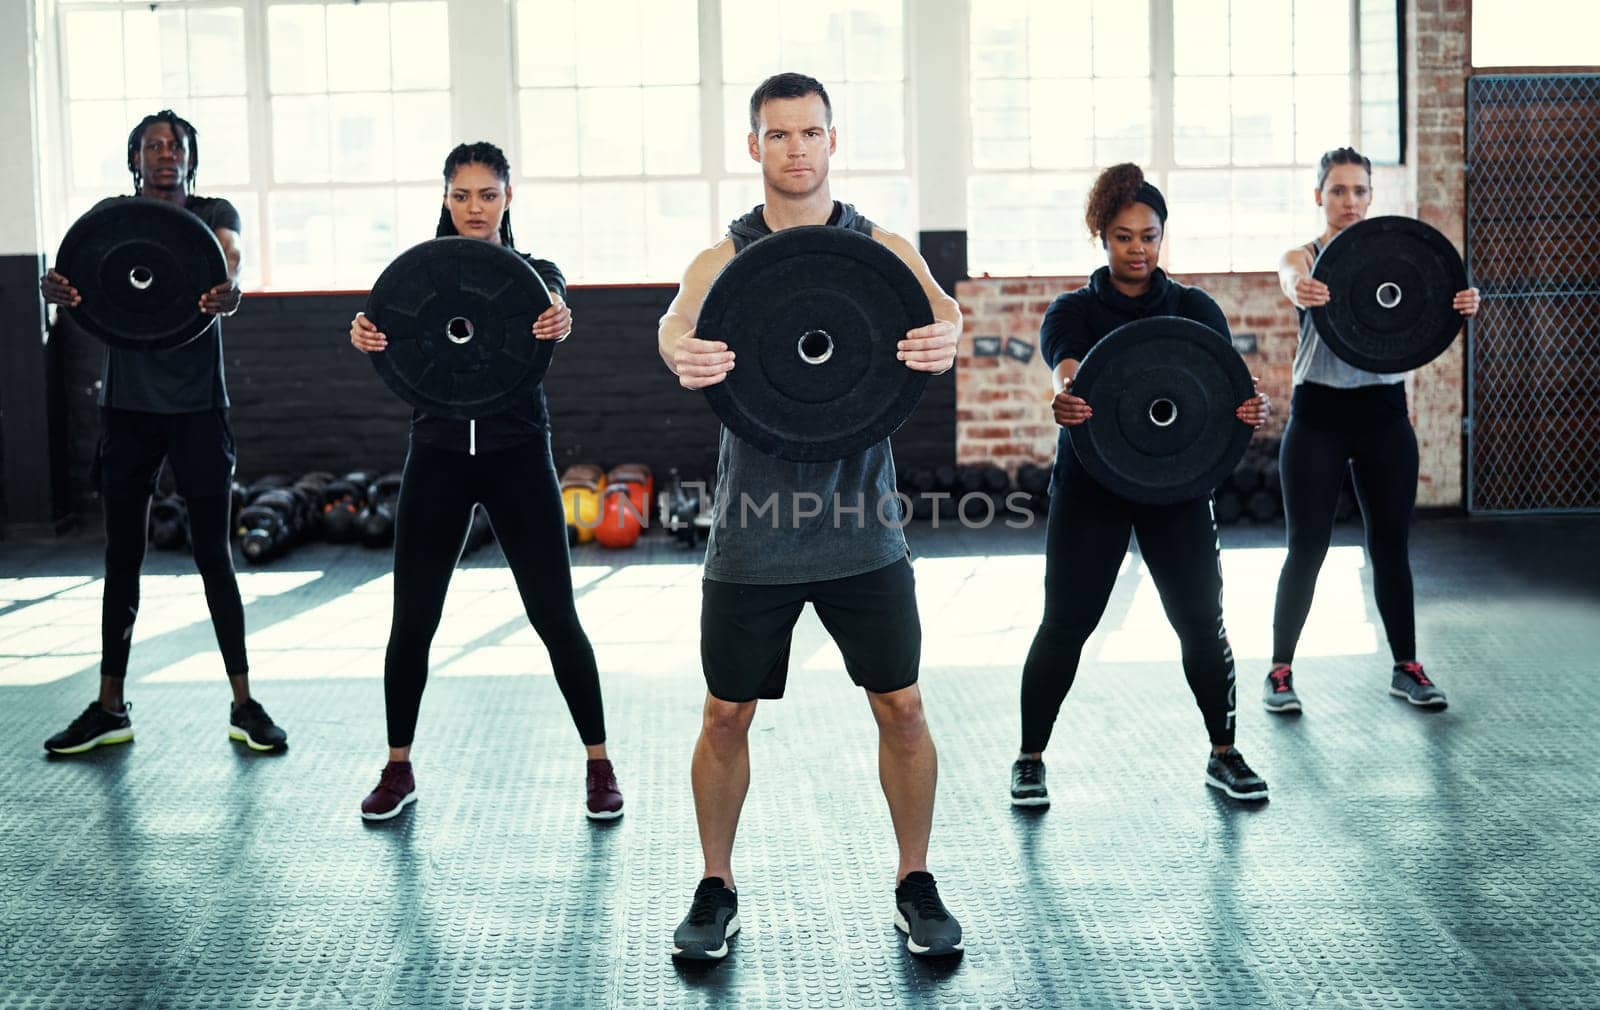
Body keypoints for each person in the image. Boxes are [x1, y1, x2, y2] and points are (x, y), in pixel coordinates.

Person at [658, 73, 963, 960]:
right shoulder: (724, 259)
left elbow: (940, 312)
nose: (796, 149)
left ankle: (915, 881)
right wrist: (682, 349)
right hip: (754, 525)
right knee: (724, 715)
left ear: (835, 142)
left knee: (902, 706)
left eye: (811, 133)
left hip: (863, 522)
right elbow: (675, 323)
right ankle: (715, 887)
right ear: (754, 147)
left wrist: (943, 332)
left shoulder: (882, 248)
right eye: (779, 134)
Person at [348, 142, 622, 823]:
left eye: (488, 194)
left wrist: (559, 316)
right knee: (412, 620)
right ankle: (398, 767)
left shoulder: (536, 273)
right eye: (462, 194)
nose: (475, 207)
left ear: (508, 197)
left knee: (555, 616)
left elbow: (554, 305)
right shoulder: (419, 278)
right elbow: (383, 323)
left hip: (516, 453)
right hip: (438, 453)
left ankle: (599, 764)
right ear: (445, 197)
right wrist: (364, 334)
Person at [1010, 163, 1271, 809]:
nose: (1138, 248)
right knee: (1067, 623)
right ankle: (1030, 758)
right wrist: (1066, 396)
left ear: (1163, 237)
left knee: (1201, 625)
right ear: (1103, 237)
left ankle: (1225, 752)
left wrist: (1247, 409)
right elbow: (1065, 367)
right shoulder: (1074, 309)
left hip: (1176, 488)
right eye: (1124, 236)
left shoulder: (1192, 307)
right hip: (1092, 486)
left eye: (1149, 236)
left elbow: (1222, 387)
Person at [39, 110, 287, 755]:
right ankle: (108, 706)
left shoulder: (211, 211)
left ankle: (244, 703)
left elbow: (229, 253)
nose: (164, 154)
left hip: (198, 408)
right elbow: (77, 277)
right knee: (123, 559)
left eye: (174, 146)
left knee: (215, 560)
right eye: (152, 146)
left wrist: (228, 282)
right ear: (135, 158)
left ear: (190, 157)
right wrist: (58, 288)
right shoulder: (116, 220)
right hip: (128, 409)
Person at [1263, 147, 1480, 714]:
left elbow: (1436, 302)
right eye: (1338, 191)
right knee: (1306, 548)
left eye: (1359, 191)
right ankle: (1279, 670)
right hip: (1318, 417)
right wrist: (1297, 288)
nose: (1349, 201)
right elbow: (1289, 276)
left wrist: (1460, 301)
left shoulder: (1397, 255)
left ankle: (1406, 667)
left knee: (1390, 547)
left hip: (1384, 413)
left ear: (1371, 197)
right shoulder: (1304, 257)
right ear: (1319, 196)